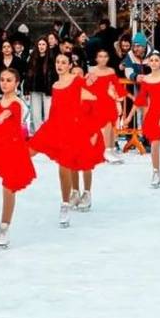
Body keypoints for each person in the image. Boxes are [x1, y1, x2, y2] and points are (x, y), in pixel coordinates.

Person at [28, 54, 103, 227]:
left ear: (69, 65)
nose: (59, 65)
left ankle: (70, 202)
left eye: (63, 62)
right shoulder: (55, 85)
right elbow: (55, 110)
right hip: (57, 127)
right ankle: (72, 194)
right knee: (62, 163)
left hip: (76, 128)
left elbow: (93, 99)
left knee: (75, 164)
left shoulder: (76, 81)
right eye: (57, 62)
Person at [0, 68, 36, 248]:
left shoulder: (17, 103)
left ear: (17, 83)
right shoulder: (0, 99)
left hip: (13, 149)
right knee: (6, 186)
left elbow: (8, 113)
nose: (4, 83)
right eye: (2, 79)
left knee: (8, 188)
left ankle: (4, 226)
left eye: (9, 80)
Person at [124, 52, 160, 188]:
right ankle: (156, 172)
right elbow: (140, 99)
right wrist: (129, 116)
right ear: (149, 63)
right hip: (152, 115)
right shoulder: (146, 80)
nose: (153, 62)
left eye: (156, 60)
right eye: (151, 60)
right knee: (154, 145)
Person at [84, 48, 127, 163]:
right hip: (97, 102)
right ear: (96, 58)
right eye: (100, 56)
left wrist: (121, 96)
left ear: (108, 58)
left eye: (105, 56)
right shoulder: (91, 71)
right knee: (107, 124)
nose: (103, 59)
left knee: (112, 126)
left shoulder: (111, 71)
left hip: (109, 101)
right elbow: (86, 87)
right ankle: (106, 150)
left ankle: (111, 149)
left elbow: (117, 86)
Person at [25, 36, 54, 132]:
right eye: (39, 44)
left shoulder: (51, 58)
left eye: (43, 44)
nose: (41, 46)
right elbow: (28, 75)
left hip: (48, 89)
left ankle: (47, 134)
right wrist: (26, 90)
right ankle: (37, 134)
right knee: (36, 114)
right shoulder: (33, 57)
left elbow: (54, 75)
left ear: (47, 46)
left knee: (48, 114)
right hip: (35, 88)